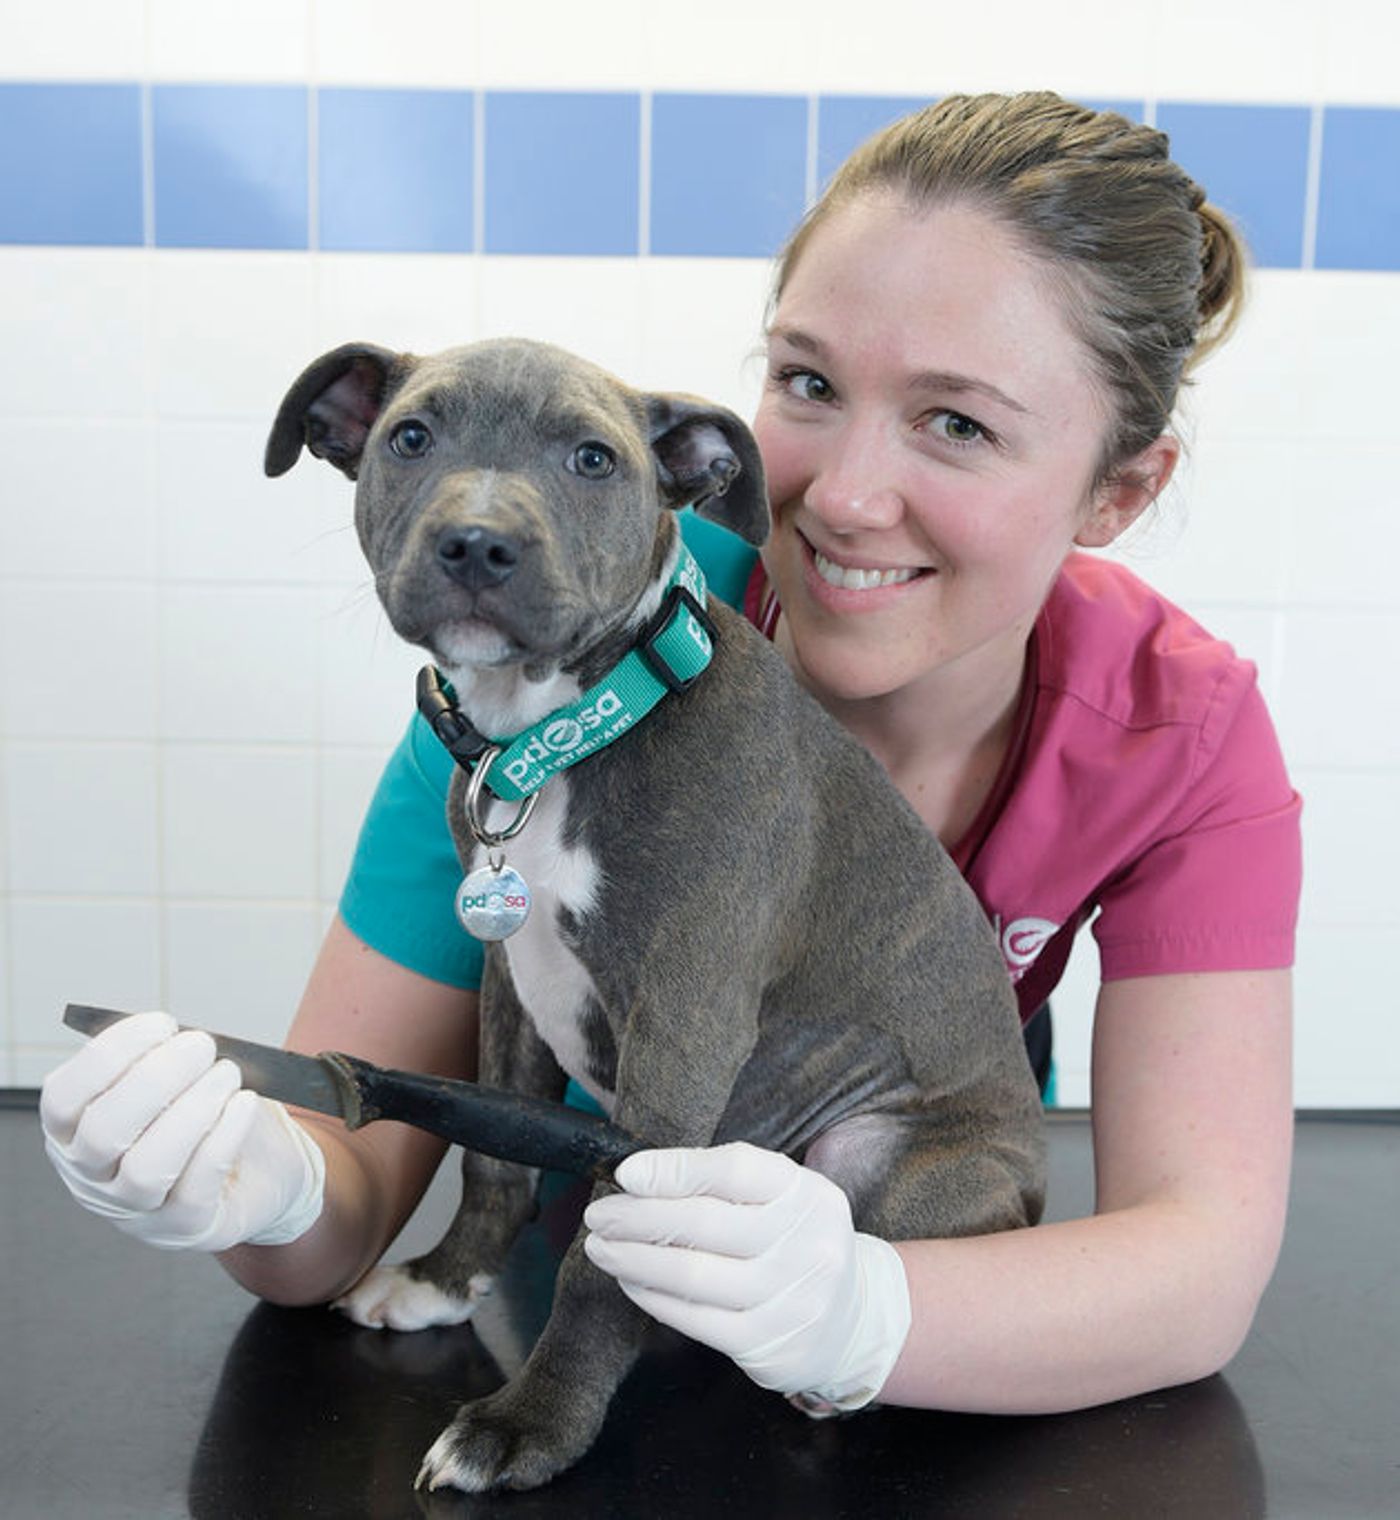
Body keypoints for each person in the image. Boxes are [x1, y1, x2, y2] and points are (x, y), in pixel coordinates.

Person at [40, 92, 1299, 1418]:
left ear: (1120, 490)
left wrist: (864, 1314)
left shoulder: (1181, 734)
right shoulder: (556, 640)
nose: (847, 495)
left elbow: (1196, 1273)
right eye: (808, 382)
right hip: (586, 1258)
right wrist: (249, 1181)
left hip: (943, 1310)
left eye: (959, 424)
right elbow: (338, 1222)